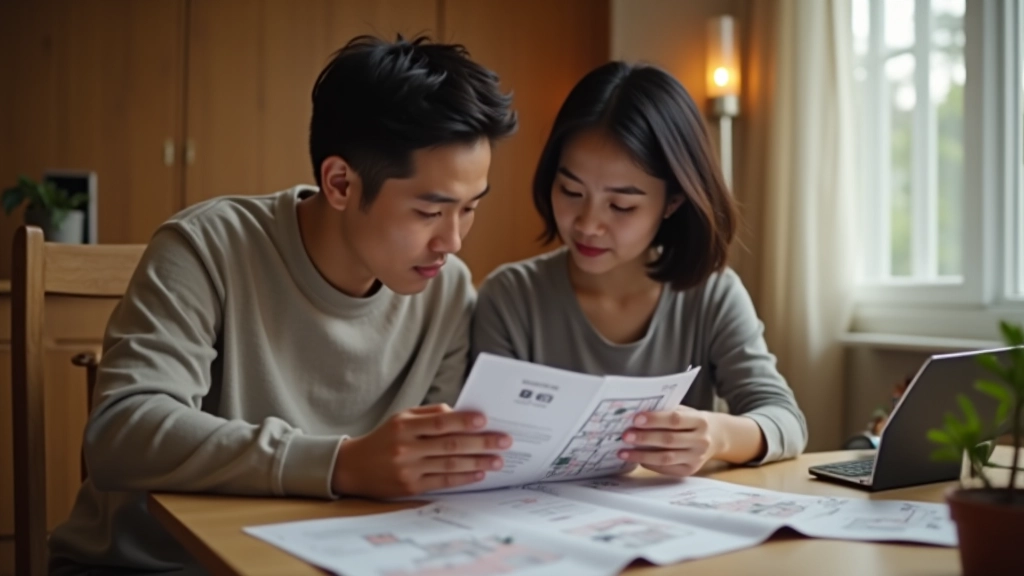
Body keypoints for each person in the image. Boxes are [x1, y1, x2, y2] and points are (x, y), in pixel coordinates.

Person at [49, 35, 518, 575]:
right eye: (428, 212)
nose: (453, 241)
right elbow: (122, 431)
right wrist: (339, 464)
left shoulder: (450, 290)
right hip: (155, 565)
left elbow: (433, 476)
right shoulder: (209, 246)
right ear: (340, 182)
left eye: (470, 209)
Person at [471, 61, 807, 478]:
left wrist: (716, 435)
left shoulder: (711, 294)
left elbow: (786, 421)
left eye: (622, 205)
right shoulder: (510, 298)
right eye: (571, 191)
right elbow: (484, 445)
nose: (588, 224)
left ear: (672, 202)